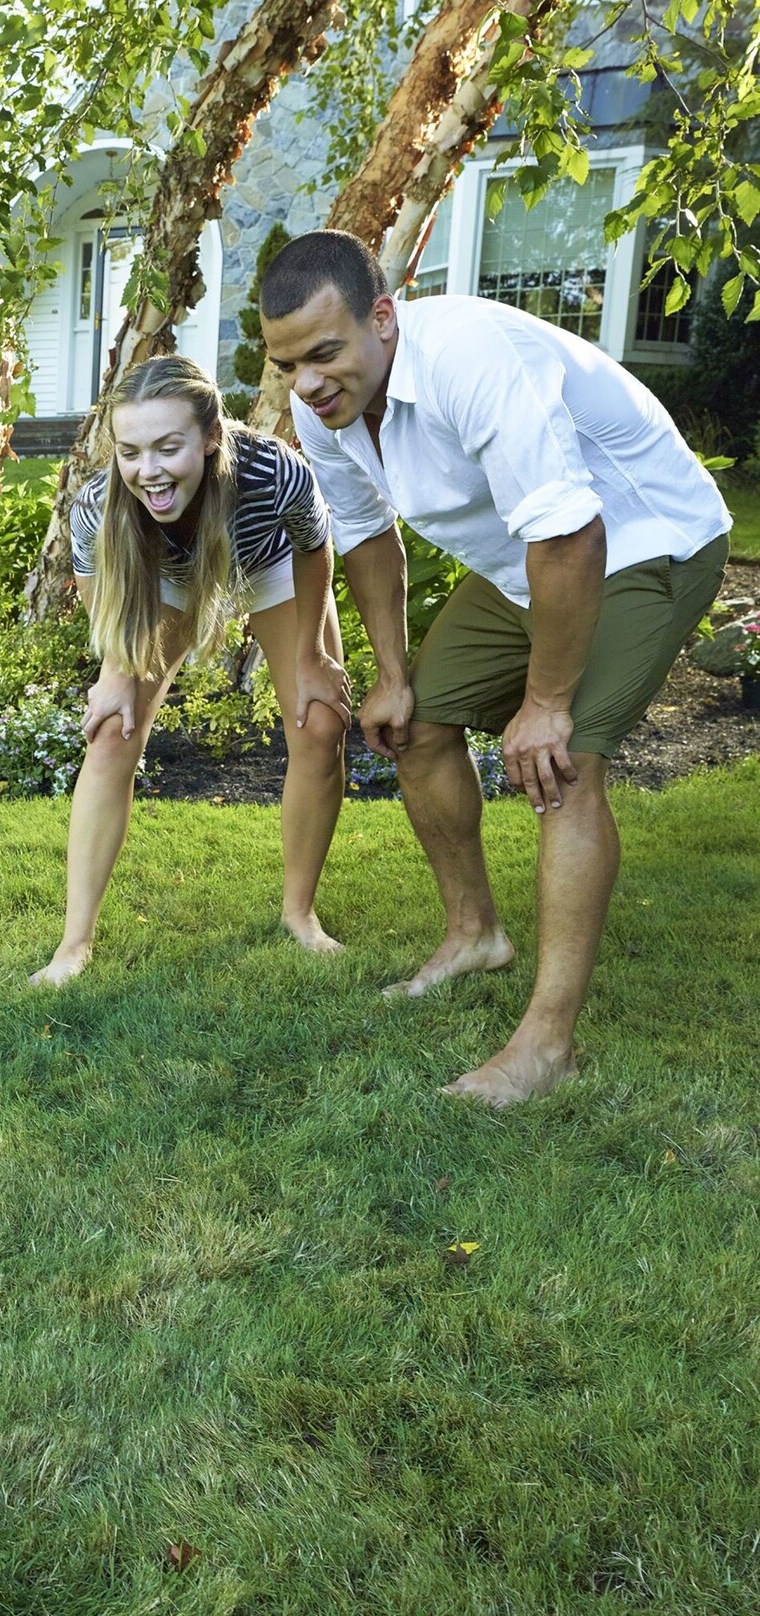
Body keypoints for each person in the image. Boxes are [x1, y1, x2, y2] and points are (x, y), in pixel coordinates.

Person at [259, 230, 732, 1105]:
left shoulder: (470, 360)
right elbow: (365, 534)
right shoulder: (321, 407)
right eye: (288, 364)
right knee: (418, 724)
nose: (308, 382)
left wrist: (547, 701)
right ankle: (475, 933)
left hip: (642, 540)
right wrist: (392, 673)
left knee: (564, 763)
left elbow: (572, 533)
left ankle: (547, 1044)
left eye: (325, 353)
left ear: (384, 318)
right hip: (529, 562)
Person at [30, 354, 353, 986]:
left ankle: (300, 915)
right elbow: (99, 592)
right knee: (112, 732)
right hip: (169, 579)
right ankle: (73, 945)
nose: (147, 471)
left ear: (210, 439)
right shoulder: (101, 504)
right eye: (130, 451)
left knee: (318, 723)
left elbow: (316, 549)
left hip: (270, 560)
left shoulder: (273, 473)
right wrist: (116, 671)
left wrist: (313, 656)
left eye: (166, 447)